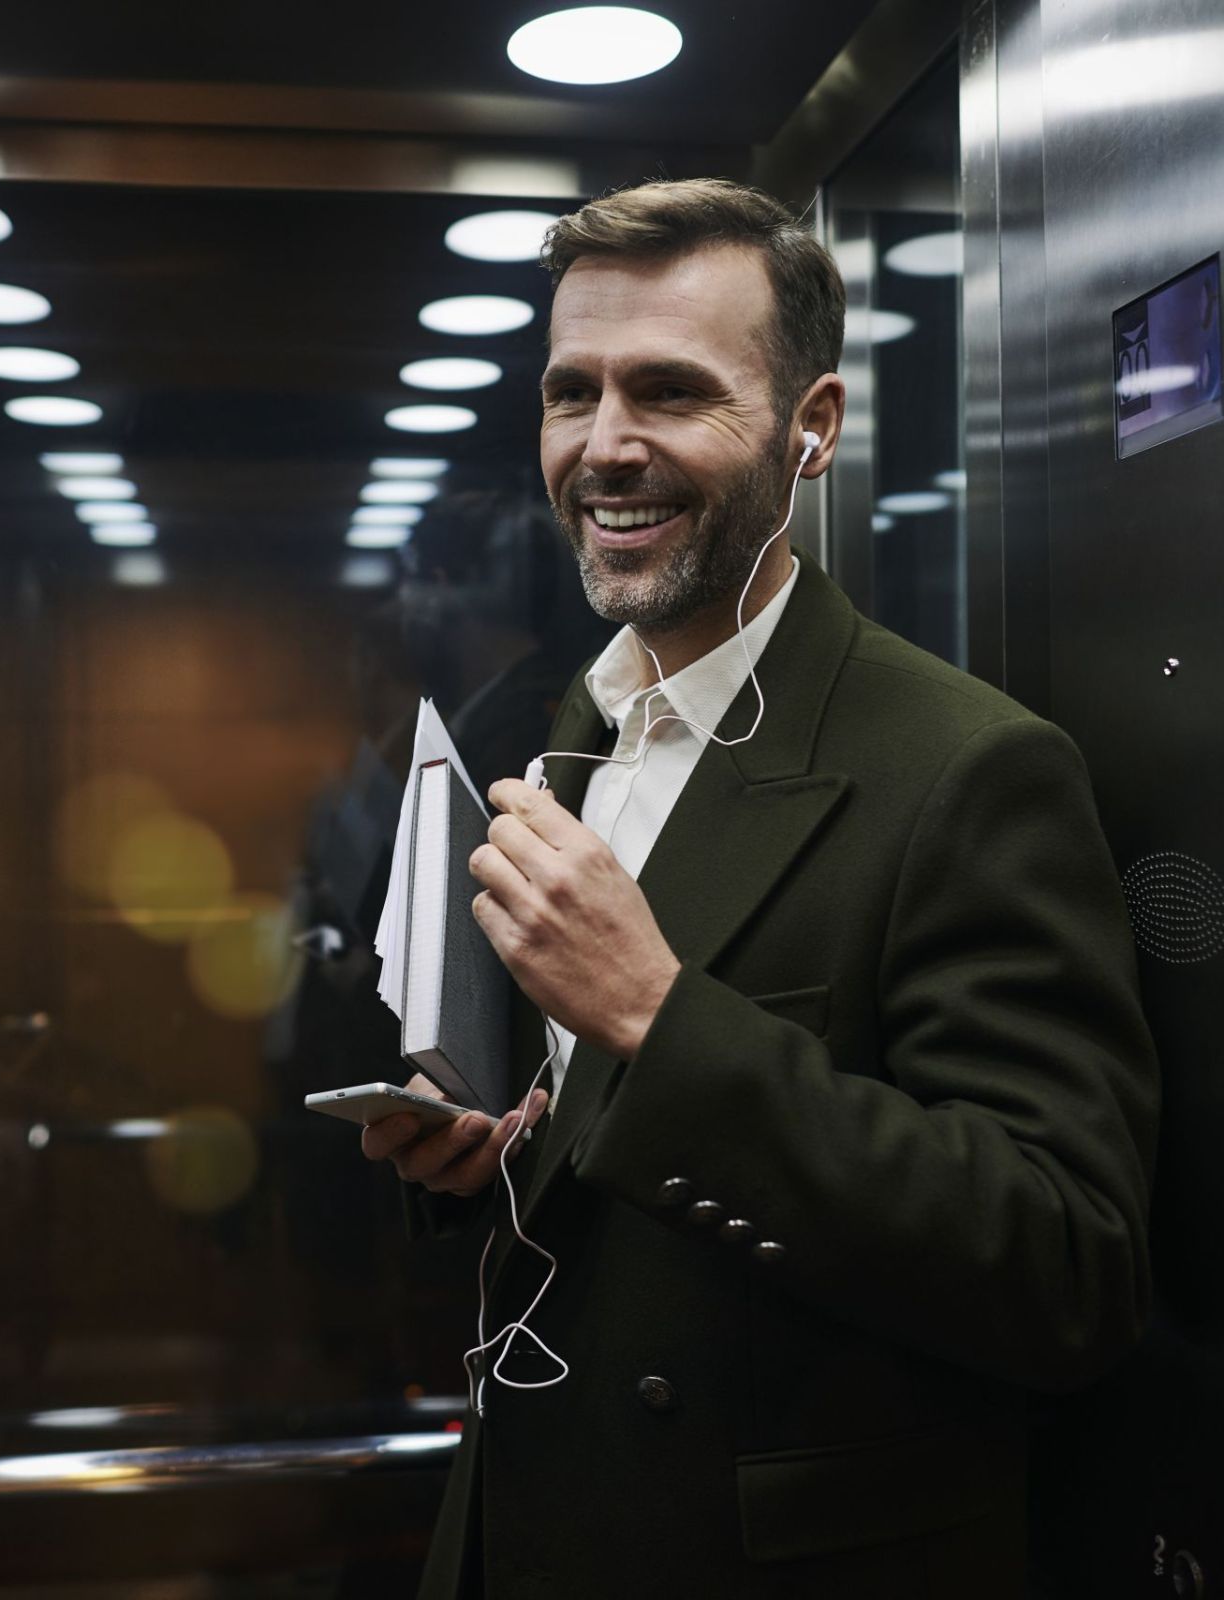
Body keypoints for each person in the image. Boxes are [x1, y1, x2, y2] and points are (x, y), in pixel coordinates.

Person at [361, 179, 1159, 1600]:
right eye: (572, 393)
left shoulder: (969, 768)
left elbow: (1066, 1266)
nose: (605, 447)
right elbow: (615, 1159)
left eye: (671, 392)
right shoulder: (583, 722)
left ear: (814, 430)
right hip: (526, 1532)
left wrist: (662, 1019)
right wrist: (485, 1142)